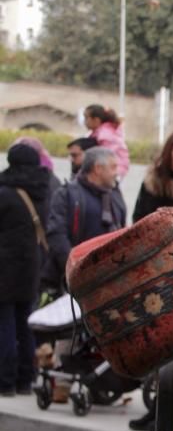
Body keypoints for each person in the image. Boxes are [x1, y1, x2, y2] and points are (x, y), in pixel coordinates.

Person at [0, 144, 52, 396]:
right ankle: (25, 379)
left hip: (5, 266)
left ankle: (5, 381)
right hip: (32, 265)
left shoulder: (5, 192)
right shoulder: (44, 189)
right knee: (25, 322)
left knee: (5, 323)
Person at [43, 147, 126, 292]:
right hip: (75, 283)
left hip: (110, 280)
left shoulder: (114, 195)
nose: (117, 172)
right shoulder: (66, 195)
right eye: (113, 167)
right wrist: (75, 270)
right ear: (98, 169)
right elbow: (57, 235)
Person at [84, 104, 130, 178]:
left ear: (96, 120)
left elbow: (107, 154)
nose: (84, 121)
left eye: (86, 118)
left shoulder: (105, 134)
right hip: (111, 167)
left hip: (116, 168)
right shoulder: (99, 132)